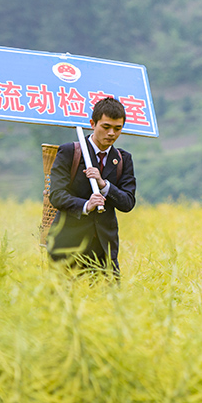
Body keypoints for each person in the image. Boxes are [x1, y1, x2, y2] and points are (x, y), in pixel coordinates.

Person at [48, 97, 136, 276]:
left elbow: (128, 202)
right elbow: (56, 195)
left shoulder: (123, 159)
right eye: (106, 127)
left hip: (105, 249)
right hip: (67, 246)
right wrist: (86, 205)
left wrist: (104, 186)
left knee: (108, 301)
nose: (111, 133)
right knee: (64, 301)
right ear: (92, 124)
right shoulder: (70, 152)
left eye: (117, 129)